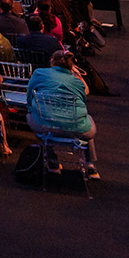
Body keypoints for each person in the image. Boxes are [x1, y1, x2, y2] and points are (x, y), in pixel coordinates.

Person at [27, 49, 99, 179]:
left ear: (51, 61)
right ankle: (90, 165)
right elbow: (84, 98)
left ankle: (52, 160)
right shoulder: (77, 82)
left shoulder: (39, 73)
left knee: (35, 115)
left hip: (45, 125)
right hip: (76, 128)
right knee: (88, 121)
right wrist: (78, 75)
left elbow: (29, 95)